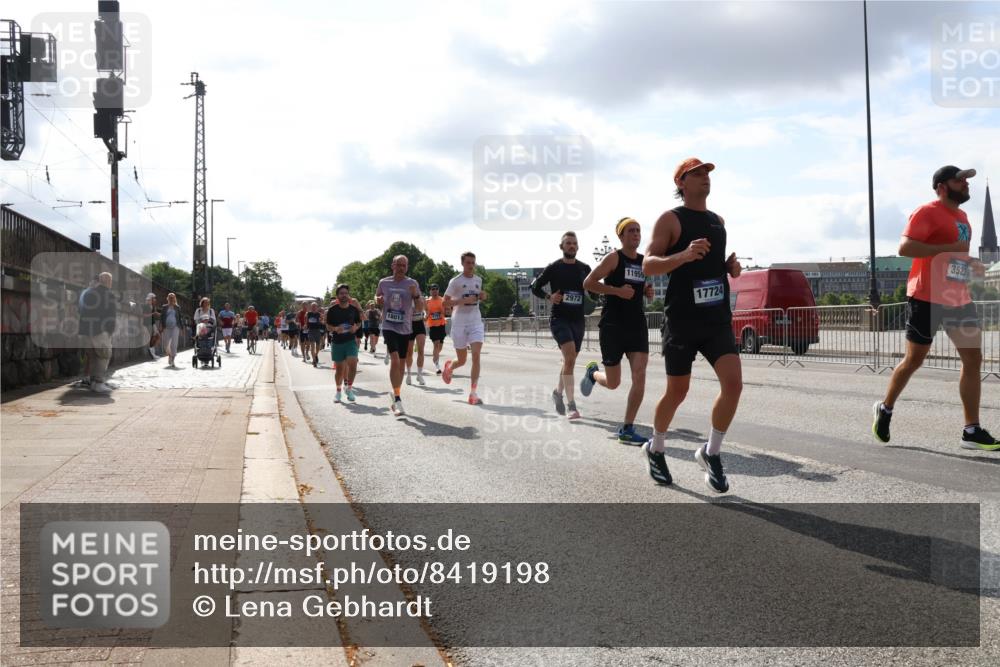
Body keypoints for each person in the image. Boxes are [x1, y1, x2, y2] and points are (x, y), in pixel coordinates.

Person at [873, 165, 998, 451]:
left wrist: (970, 265)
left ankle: (971, 429)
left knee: (973, 359)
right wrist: (945, 250)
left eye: (967, 181)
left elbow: (954, 256)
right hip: (926, 296)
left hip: (957, 297)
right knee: (914, 360)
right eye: (960, 180)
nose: (966, 184)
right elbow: (905, 248)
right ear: (942, 186)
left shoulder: (963, 216)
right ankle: (886, 408)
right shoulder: (926, 212)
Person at [641, 157, 743, 493]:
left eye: (707, 174)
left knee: (733, 385)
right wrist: (682, 256)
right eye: (696, 174)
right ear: (681, 183)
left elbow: (712, 266)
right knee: (677, 391)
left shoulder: (718, 221)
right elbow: (648, 265)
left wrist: (730, 268)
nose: (705, 179)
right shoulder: (670, 220)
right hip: (682, 320)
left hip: (715, 320)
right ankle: (655, 447)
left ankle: (711, 453)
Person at [580, 217, 655, 444]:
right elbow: (588, 283)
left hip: (637, 325)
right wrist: (616, 291)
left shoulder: (644, 262)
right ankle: (593, 373)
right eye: (631, 231)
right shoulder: (613, 258)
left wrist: (646, 292)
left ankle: (627, 428)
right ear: (621, 236)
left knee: (640, 375)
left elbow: (637, 289)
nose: (636, 234)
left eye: (638, 230)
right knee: (613, 383)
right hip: (613, 325)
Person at [530, 232, 592, 419]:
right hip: (559, 319)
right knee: (570, 357)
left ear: (578, 247)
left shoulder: (584, 268)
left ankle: (558, 392)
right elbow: (535, 286)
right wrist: (550, 297)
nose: (571, 246)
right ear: (562, 246)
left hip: (578, 319)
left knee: (569, 361)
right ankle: (572, 405)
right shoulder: (554, 267)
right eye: (568, 243)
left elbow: (595, 288)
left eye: (574, 243)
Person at [376, 255, 424, 416]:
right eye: (399, 265)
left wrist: (416, 295)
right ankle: (397, 399)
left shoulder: (412, 283)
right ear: (393, 266)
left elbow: (419, 308)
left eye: (404, 265)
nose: (402, 268)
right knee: (395, 360)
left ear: (407, 267)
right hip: (389, 326)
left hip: (405, 327)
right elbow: (378, 299)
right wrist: (379, 300)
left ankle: (395, 392)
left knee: (401, 364)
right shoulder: (384, 282)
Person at [442, 252, 488, 404]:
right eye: (468, 263)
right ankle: (450, 367)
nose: (471, 266)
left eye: (473, 263)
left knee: (476, 355)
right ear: (462, 263)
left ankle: (473, 394)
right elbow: (445, 303)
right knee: (462, 360)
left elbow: (480, 297)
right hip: (460, 323)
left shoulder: (478, 280)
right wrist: (462, 301)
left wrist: (482, 295)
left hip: (475, 321)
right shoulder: (455, 281)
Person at [78, 272, 117, 393]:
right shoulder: (109, 294)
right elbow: (111, 315)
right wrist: (110, 331)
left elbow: (81, 310)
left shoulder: (89, 293)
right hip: (101, 331)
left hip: (86, 330)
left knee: (93, 357)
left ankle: (94, 382)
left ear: (100, 280)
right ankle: (98, 382)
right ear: (109, 282)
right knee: (103, 356)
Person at [327, 284, 363, 402]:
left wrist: (355, 328)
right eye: (341, 293)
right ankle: (338, 391)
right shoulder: (332, 310)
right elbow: (328, 325)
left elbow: (358, 323)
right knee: (339, 370)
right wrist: (336, 329)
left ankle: (349, 388)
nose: (344, 295)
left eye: (346, 293)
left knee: (353, 365)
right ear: (337, 296)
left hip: (350, 341)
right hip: (337, 342)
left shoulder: (353, 310)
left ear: (349, 295)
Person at [425, 284, 448, 374]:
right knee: (436, 344)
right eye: (432, 289)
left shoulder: (442, 300)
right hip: (433, 325)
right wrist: (426, 316)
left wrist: (443, 311)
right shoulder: (427, 301)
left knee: (440, 346)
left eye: (436, 289)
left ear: (438, 290)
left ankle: (435, 356)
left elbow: (446, 311)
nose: (434, 290)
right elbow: (426, 312)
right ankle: (437, 366)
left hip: (441, 324)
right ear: (430, 291)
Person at [405, 300, 428, 386]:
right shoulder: (406, 298)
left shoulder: (421, 298)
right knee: (409, 352)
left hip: (419, 324)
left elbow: (427, 310)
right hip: (409, 325)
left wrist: (425, 315)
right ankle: (409, 374)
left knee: (421, 350)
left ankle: (419, 374)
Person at [159, 292, 183, 368]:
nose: (171, 298)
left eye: (172, 297)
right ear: (167, 298)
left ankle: (173, 359)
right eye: (170, 297)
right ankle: (169, 355)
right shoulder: (164, 307)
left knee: (174, 344)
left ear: (175, 298)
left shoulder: (177, 307)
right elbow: (161, 317)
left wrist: (182, 328)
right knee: (166, 344)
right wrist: (161, 326)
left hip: (175, 327)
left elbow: (180, 318)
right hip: (166, 327)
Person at [304, 302, 325, 367]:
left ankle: (315, 355)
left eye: (315, 306)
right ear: (311, 307)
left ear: (317, 307)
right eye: (312, 306)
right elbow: (306, 321)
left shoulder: (319, 314)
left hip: (317, 331)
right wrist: (305, 325)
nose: (314, 307)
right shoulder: (308, 313)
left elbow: (323, 321)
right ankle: (314, 360)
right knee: (312, 346)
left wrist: (321, 321)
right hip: (311, 331)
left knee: (318, 347)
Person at [143, 293, 160, 359]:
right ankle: (152, 353)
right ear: (150, 299)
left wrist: (161, 314)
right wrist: (153, 313)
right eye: (154, 298)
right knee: (153, 337)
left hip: (153, 323)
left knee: (157, 336)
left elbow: (155, 313)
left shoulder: (153, 306)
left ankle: (152, 350)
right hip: (147, 324)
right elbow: (144, 315)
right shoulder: (145, 306)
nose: (155, 300)